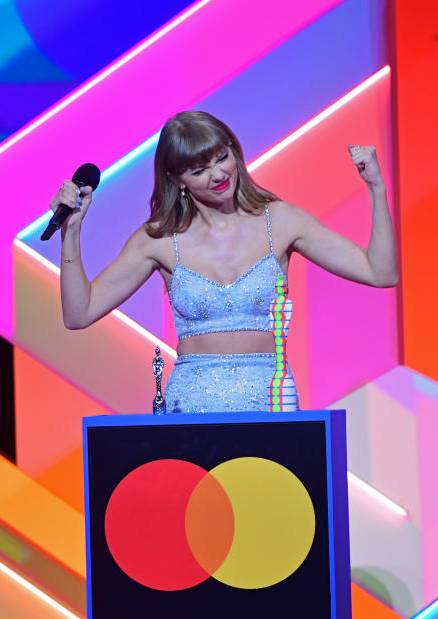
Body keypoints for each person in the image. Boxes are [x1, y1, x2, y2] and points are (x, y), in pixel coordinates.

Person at [50, 111, 397, 413]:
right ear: (176, 180)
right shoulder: (158, 239)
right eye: (200, 170)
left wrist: (376, 188)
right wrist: (72, 231)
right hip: (193, 405)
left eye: (222, 157)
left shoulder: (282, 221)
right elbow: (80, 313)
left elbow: (380, 273)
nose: (218, 175)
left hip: (270, 401)